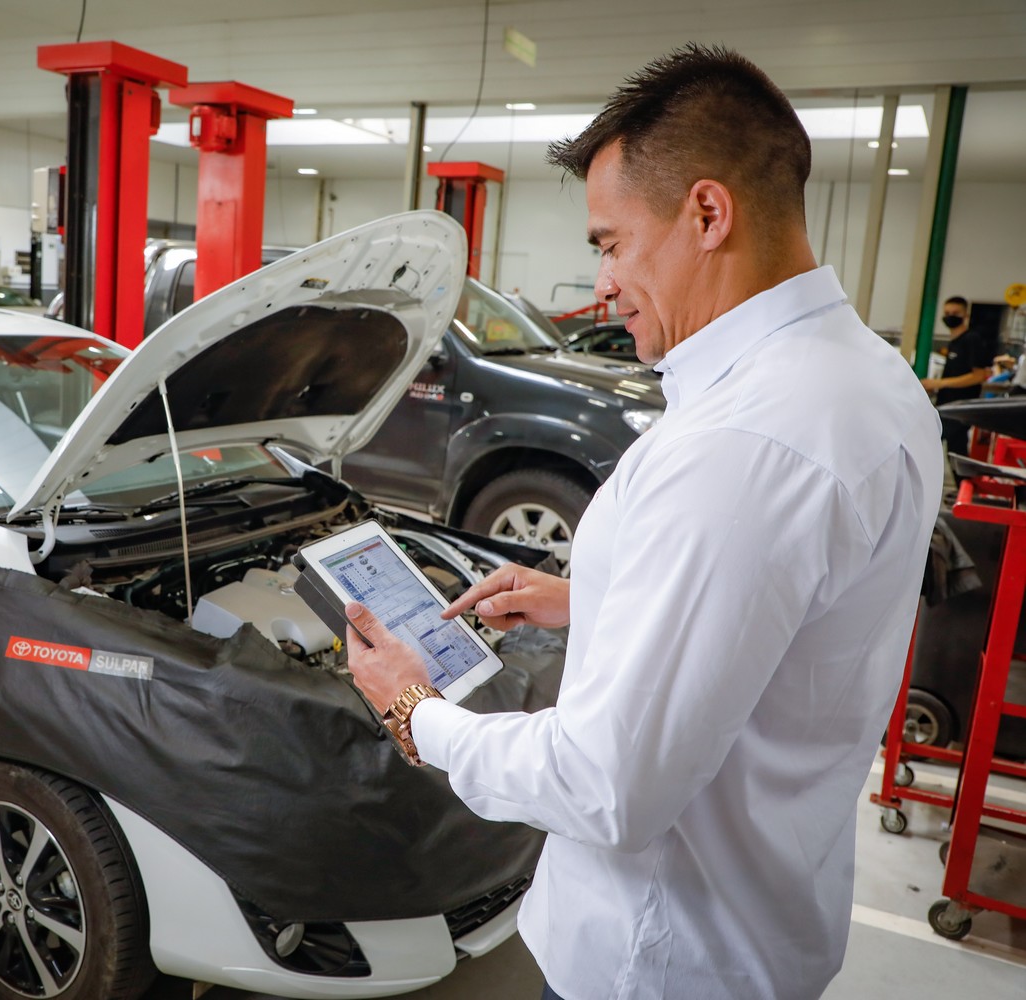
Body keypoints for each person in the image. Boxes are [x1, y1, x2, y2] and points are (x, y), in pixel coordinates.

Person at [344, 44, 942, 1000]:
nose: (604, 286)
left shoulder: (746, 444)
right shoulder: (869, 381)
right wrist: (597, 599)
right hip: (763, 921)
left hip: (655, 960)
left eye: (611, 244)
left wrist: (421, 717)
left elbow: (605, 785)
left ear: (707, 213)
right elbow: (784, 620)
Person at [920, 296, 992, 452]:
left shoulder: (971, 339)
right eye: (947, 312)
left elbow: (979, 376)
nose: (950, 316)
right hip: (948, 405)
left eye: (955, 312)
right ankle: (963, 477)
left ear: (965, 315)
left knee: (929, 443)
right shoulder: (954, 342)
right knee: (955, 451)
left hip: (960, 408)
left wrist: (940, 383)